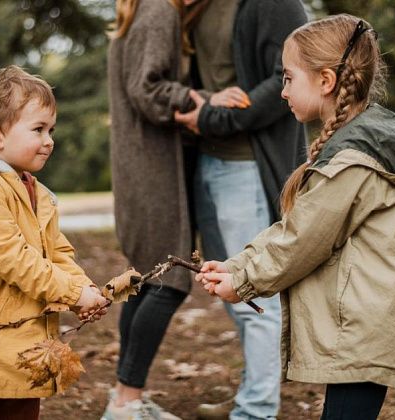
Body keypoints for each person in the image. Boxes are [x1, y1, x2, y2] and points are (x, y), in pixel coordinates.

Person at [196, 14, 395, 420]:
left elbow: (302, 240)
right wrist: (237, 265)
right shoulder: (352, 148)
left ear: (326, 81)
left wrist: (243, 281)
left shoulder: (351, 161)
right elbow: (297, 227)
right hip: (364, 321)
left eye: (289, 78)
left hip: (363, 326)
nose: (281, 91)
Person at [0, 65, 109, 419]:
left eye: (51, 130)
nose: (49, 140)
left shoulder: (39, 194)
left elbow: (57, 253)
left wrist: (84, 288)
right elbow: (14, 259)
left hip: (24, 348)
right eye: (38, 129)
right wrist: (73, 294)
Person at [103, 1, 246, 419]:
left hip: (141, 169)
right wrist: (202, 98)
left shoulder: (144, 10)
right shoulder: (159, 11)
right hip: (152, 172)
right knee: (171, 280)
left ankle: (124, 399)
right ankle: (126, 401)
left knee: (146, 280)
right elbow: (146, 89)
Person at [174, 0, 308, 418]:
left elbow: (282, 82)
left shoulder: (274, 3)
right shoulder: (197, 6)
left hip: (246, 167)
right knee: (230, 291)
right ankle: (253, 395)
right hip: (207, 162)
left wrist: (214, 118)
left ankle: (256, 410)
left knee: (254, 296)